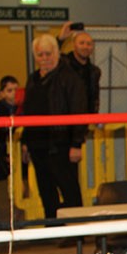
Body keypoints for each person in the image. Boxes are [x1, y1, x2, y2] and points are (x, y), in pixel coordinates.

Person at [21, 33, 88, 220]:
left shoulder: (69, 78)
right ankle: (52, 227)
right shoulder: (33, 79)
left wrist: (76, 143)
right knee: (45, 188)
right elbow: (27, 110)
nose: (44, 59)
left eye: (48, 54)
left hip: (61, 143)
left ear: (57, 53)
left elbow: (79, 110)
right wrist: (25, 142)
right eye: (40, 55)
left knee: (69, 188)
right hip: (37, 143)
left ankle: (76, 230)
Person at [59, 23, 102, 114]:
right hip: (65, 120)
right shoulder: (63, 64)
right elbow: (50, 54)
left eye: (89, 44)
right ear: (74, 45)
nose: (85, 47)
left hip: (85, 120)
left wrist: (94, 117)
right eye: (81, 43)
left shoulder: (95, 71)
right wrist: (60, 39)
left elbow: (94, 99)